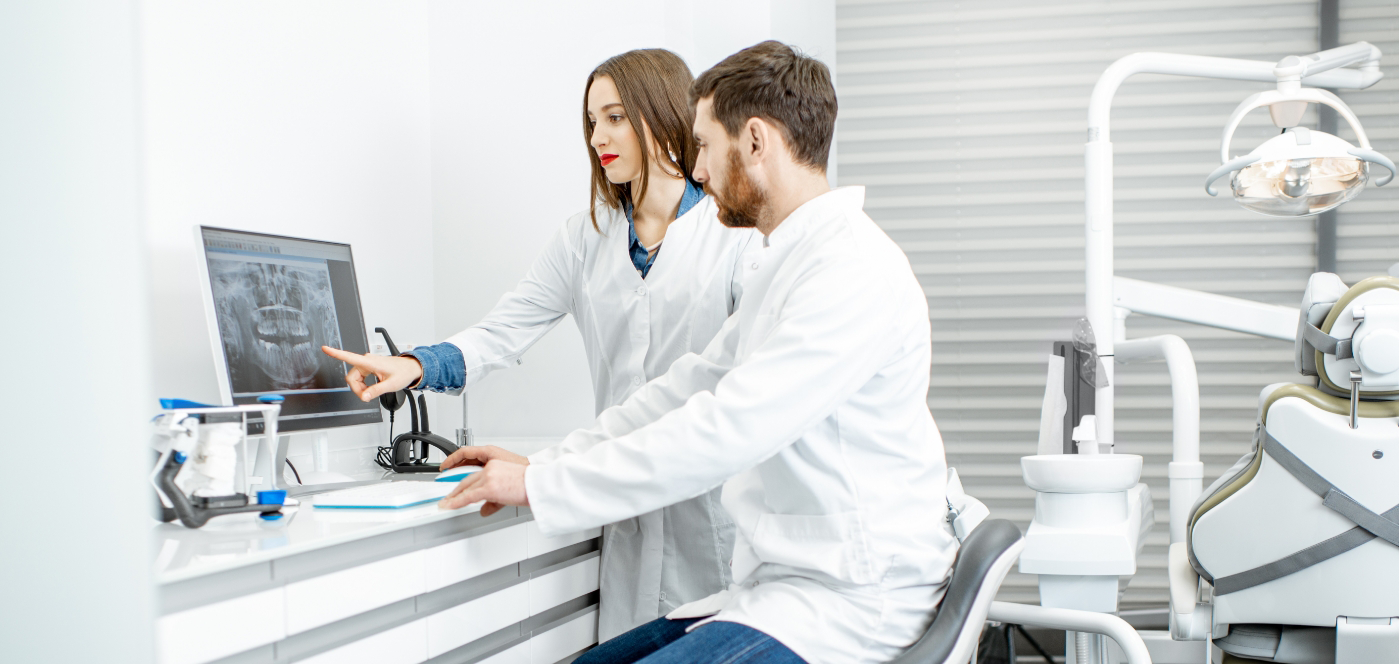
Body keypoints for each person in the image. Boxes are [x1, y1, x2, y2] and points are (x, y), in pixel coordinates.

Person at [425, 41, 957, 664]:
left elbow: (726, 426)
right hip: (784, 592)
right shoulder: (788, 265)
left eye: (703, 146)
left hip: (851, 603)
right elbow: (685, 389)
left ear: (755, 142)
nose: (696, 169)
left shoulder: (849, 272)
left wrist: (543, 484)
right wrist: (546, 464)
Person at [321, 48, 756, 641]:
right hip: (621, 509)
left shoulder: (732, 236)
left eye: (615, 117)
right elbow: (504, 330)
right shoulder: (586, 237)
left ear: (661, 114)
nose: (598, 136)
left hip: (713, 513)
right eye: (591, 121)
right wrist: (413, 365)